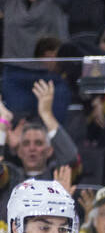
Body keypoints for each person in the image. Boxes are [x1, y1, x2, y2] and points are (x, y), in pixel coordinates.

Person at [0, 82, 79, 213]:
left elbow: (71, 158)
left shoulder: (56, 176)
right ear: (18, 151)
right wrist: (3, 122)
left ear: (49, 151)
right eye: (25, 143)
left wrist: (47, 114)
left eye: (38, 143)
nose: (32, 148)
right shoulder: (12, 176)